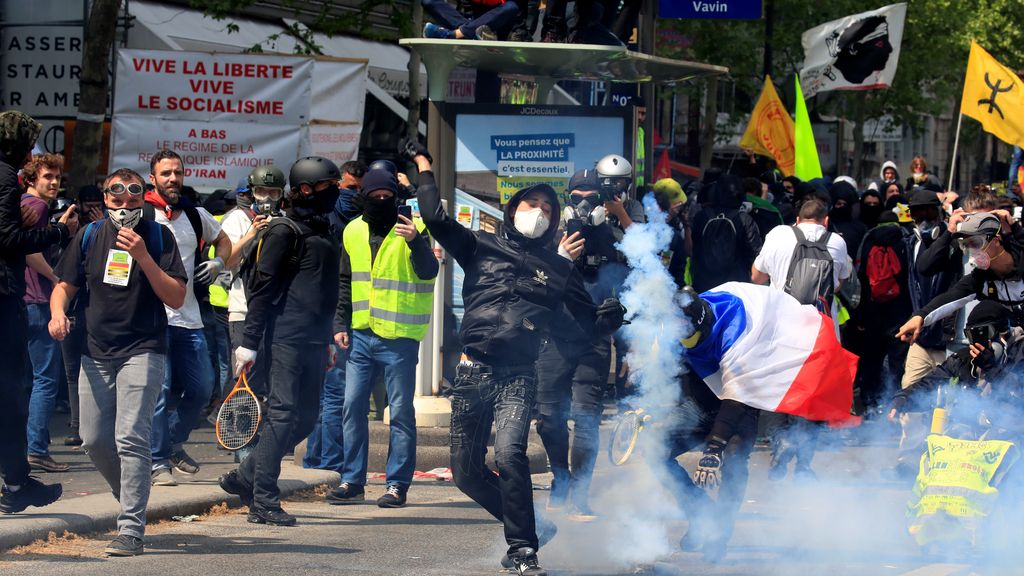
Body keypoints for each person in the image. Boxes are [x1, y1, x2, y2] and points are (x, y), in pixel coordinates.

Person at [405, 137, 625, 576]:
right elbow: (433, 216)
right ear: (512, 209)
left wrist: (610, 318)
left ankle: (523, 549)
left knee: (510, 454)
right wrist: (423, 165)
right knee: (466, 473)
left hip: (517, 375)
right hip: (471, 373)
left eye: (547, 208)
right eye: (531, 204)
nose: (538, 212)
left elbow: (581, 324)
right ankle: (536, 526)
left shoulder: (558, 265)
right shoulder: (480, 247)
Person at [48, 168, 187, 556]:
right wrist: (57, 313)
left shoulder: (159, 236)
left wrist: (142, 256)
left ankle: (130, 529)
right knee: (93, 440)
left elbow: (175, 297)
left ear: (143, 199)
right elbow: (64, 285)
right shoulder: (89, 235)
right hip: (94, 351)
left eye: (133, 199)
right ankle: (130, 496)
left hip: (143, 348)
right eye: (117, 199)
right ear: (106, 199)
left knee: (131, 437)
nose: (125, 207)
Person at [220, 156, 341, 526]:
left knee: (305, 419)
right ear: (304, 189)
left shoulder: (325, 230)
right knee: (283, 413)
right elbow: (263, 290)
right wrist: (250, 342)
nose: (334, 192)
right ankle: (263, 501)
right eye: (327, 185)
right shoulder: (282, 231)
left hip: (315, 340)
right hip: (285, 337)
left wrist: (330, 338)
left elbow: (328, 291)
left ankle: (244, 477)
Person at [326, 168, 438, 508]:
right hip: (360, 333)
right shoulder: (353, 230)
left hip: (400, 337)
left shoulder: (412, 229)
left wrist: (415, 241)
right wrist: (338, 323)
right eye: (373, 196)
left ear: (395, 197)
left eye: (386, 197)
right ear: (364, 197)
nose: (380, 201)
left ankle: (397, 484)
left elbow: (428, 271)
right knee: (352, 406)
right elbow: (345, 281)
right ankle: (352, 480)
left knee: (401, 412)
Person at [0, 110, 73, 515]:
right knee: (15, 391)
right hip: (6, 298)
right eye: (28, 143)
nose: (31, 152)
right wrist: (59, 232)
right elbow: (10, 240)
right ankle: (16, 483)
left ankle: (16, 481)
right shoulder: (6, 181)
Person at [145, 149, 232, 486]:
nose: (173, 179)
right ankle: (157, 462)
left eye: (177, 173)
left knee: (201, 389)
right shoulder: (143, 214)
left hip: (191, 317)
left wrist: (219, 262)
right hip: (154, 319)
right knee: (161, 390)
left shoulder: (195, 214)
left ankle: (170, 444)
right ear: (152, 178)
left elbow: (223, 240)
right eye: (165, 173)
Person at [751, 198, 851, 479]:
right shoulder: (837, 242)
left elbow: (757, 276)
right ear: (825, 220)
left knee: (778, 388)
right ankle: (804, 465)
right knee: (815, 394)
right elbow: (840, 281)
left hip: (782, 327)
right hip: (821, 331)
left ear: (797, 219)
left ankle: (780, 440)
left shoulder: (778, 235)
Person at [20, 153, 73, 473]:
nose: (53, 183)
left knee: (25, 380)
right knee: (45, 380)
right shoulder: (37, 207)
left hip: (21, 303)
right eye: (47, 177)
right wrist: (57, 278)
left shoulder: (24, 204)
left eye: (57, 178)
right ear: (31, 179)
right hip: (38, 302)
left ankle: (27, 446)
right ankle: (36, 449)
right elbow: (30, 251)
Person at [898, 211, 1024, 344]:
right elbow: (950, 298)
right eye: (966, 245)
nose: (972, 251)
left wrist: (1015, 226)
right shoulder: (979, 279)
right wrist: (920, 317)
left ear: (996, 240)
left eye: (975, 243)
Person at [59, 184, 105, 448]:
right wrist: (68, 231)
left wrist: (102, 228)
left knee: (98, 369)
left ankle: (94, 425)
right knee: (71, 371)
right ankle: (77, 425)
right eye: (86, 202)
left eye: (95, 202)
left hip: (98, 309)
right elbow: (61, 265)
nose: (91, 208)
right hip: (72, 307)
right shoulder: (71, 227)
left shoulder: (107, 227)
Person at [688, 174, 763, 293]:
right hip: (735, 286)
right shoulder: (744, 219)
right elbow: (755, 252)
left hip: (704, 284)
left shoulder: (701, 216)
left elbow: (693, 247)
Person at [421, 0, 517, 41]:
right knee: (429, 1)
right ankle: (469, 34)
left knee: (511, 7)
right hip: (471, 20)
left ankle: (453, 35)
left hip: (496, 21)